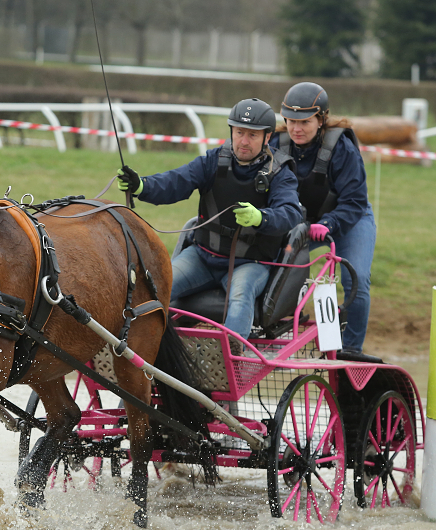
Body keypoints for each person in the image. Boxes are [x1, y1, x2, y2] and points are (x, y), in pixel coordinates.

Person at [116, 98, 302, 354]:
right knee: (154, 286)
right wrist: (142, 186)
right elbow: (177, 181)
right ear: (231, 132)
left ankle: (229, 362)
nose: (243, 141)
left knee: (241, 295)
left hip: (250, 264)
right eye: (239, 132)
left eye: (252, 135)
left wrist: (262, 217)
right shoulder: (213, 160)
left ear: (267, 137)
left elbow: (291, 213)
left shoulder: (281, 172)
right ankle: (136, 352)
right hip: (202, 257)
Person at [268, 82, 378, 360]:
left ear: (321, 119)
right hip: (299, 222)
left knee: (358, 279)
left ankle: (351, 349)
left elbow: (354, 201)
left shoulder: (342, 147)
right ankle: (274, 325)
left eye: (304, 122)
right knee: (269, 263)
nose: (296, 129)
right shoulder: (274, 143)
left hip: (349, 217)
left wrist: (328, 225)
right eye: (290, 121)